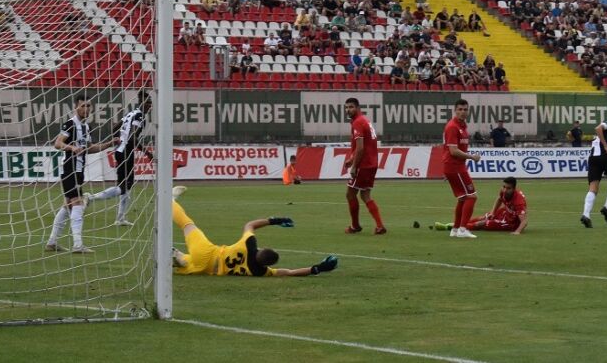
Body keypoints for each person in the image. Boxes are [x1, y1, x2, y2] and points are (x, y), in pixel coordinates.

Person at [171, 186, 338, 277]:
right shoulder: (259, 271)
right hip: (209, 270)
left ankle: (170, 199)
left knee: (187, 224)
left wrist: (275, 220)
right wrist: (317, 268)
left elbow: (250, 225)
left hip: (208, 253)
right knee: (187, 263)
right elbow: (289, 272)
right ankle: (180, 258)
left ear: (262, 248)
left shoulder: (249, 245)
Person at [46, 95, 119, 254]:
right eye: (83, 106)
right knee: (77, 204)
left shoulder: (86, 127)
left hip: (78, 171)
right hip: (69, 169)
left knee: (67, 206)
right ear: (76, 107)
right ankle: (78, 245)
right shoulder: (71, 124)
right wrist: (71, 148)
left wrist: (109, 143)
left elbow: (90, 148)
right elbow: (57, 143)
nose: (86, 109)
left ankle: (52, 242)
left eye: (88, 106)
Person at [86, 92, 153, 226]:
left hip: (121, 150)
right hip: (125, 152)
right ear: (141, 102)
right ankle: (90, 198)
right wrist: (147, 152)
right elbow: (133, 137)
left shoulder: (131, 113)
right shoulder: (139, 116)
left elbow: (114, 127)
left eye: (150, 103)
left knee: (127, 185)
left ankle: (120, 218)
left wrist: (119, 138)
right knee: (123, 187)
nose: (149, 106)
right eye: (147, 103)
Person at [342, 98, 386, 234]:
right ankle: (380, 226)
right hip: (371, 163)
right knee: (365, 195)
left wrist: (354, 166)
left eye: (351, 107)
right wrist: (351, 159)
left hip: (363, 164)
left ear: (358, 108)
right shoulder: (365, 121)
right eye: (346, 107)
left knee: (350, 194)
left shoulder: (358, 123)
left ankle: (355, 226)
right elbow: (364, 145)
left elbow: (360, 148)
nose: (348, 110)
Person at [435, 177, 528, 235]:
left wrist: (517, 232)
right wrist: (493, 212)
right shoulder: (503, 192)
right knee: (484, 217)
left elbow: (524, 221)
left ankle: (450, 227)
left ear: (514, 188)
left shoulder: (518, 201)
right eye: (504, 187)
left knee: (481, 224)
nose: (505, 190)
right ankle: (458, 224)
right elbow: (499, 199)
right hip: (505, 213)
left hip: (511, 223)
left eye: (508, 188)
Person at [443, 99, 482, 238]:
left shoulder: (462, 126)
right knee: (472, 196)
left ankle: (455, 229)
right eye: (460, 109)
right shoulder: (452, 126)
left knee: (462, 198)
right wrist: (471, 157)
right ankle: (463, 229)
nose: (463, 112)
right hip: (455, 166)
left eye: (465, 109)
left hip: (455, 166)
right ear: (455, 110)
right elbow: (453, 151)